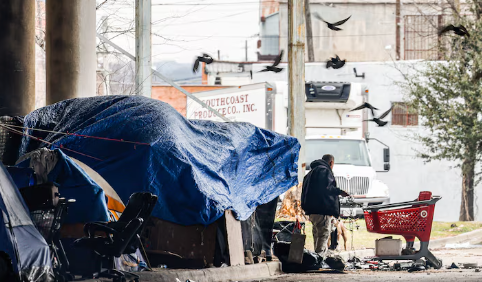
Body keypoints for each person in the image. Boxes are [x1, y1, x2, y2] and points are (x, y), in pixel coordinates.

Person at [301, 154, 349, 257]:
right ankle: (319, 258)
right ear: (331, 162)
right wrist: (340, 192)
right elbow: (327, 188)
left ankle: (316, 257)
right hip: (322, 209)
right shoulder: (325, 171)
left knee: (316, 234)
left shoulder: (310, 173)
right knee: (323, 235)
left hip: (312, 210)